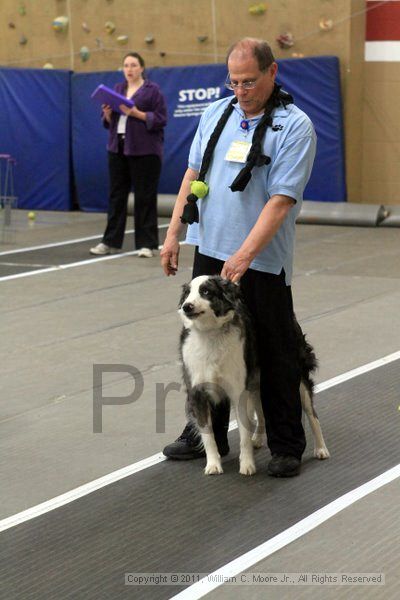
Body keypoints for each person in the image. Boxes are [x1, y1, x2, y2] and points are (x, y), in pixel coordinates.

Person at [160, 38, 317, 477]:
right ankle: (203, 434)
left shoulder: (295, 125)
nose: (241, 89)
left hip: (262, 261)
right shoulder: (216, 113)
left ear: (272, 72)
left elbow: (282, 199)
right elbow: (192, 174)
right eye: (233, 81)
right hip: (208, 249)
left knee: (275, 348)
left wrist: (245, 255)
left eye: (249, 81)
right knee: (202, 344)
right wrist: (173, 233)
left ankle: (286, 444)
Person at [90, 52, 167, 258]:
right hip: (118, 148)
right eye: (126, 65)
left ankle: (147, 244)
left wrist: (136, 114)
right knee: (116, 197)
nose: (129, 69)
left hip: (145, 151)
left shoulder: (153, 91)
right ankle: (110, 242)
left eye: (133, 65)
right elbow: (109, 122)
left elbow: (160, 119)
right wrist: (107, 113)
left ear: (142, 68)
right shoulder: (117, 89)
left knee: (144, 198)